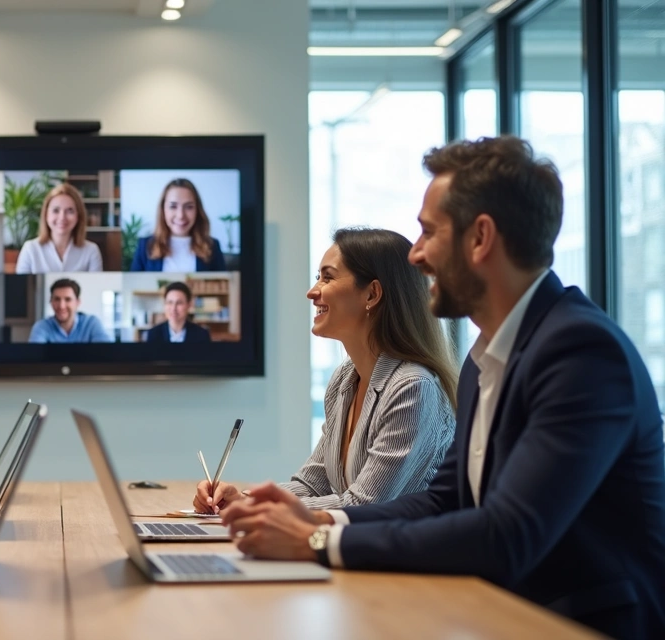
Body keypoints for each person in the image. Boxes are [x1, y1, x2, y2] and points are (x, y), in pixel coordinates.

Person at [221, 137, 665, 639]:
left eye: (428, 233)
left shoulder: (581, 353)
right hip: (499, 611)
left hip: (576, 623)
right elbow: (444, 500)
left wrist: (319, 540)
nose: (415, 255)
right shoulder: (486, 358)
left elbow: (506, 534)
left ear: (480, 239)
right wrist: (316, 522)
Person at [194, 228, 456, 513]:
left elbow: (363, 505)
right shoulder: (345, 378)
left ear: (372, 293)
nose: (312, 291)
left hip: (403, 557)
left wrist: (263, 510)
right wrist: (244, 500)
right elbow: (312, 483)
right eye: (317, 277)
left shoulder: (413, 387)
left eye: (327, 277)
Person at [131, 178, 226, 272]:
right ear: (163, 210)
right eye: (173, 206)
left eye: (189, 207)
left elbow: (225, 286)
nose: (181, 215)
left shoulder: (212, 246)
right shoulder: (145, 246)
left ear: (197, 210)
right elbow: (133, 286)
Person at [15, 183, 103, 273]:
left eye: (70, 211)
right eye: (56, 210)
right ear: (46, 215)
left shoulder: (91, 251)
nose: (62, 217)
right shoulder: (30, 249)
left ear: (78, 216)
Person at [28, 278, 112, 343]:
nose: (61, 306)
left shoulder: (91, 323)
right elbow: (34, 358)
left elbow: (108, 354)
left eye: (68, 299)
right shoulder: (41, 327)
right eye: (57, 299)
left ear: (77, 302)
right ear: (51, 301)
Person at [146, 281, 212, 343]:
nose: (173, 308)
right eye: (170, 302)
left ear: (189, 305)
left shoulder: (202, 335)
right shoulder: (153, 334)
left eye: (179, 303)